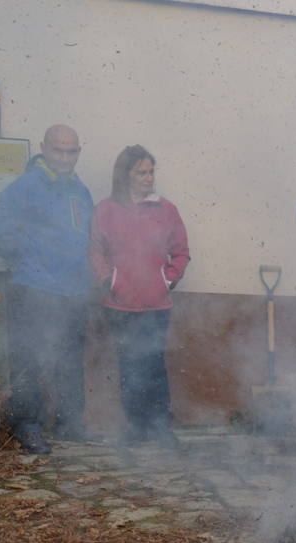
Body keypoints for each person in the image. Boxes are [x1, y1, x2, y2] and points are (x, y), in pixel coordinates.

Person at [0, 124, 95, 454]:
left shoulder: (80, 190)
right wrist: (35, 256)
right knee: (27, 358)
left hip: (73, 290)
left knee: (69, 359)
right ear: (44, 148)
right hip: (33, 287)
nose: (65, 157)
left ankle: (70, 424)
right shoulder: (23, 188)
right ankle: (26, 425)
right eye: (58, 150)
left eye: (72, 151)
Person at [89, 146, 191, 447]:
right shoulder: (106, 210)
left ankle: (160, 428)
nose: (149, 178)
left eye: (151, 172)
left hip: (157, 305)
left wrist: (167, 279)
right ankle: (135, 427)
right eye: (142, 172)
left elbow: (181, 252)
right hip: (119, 305)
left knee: (154, 365)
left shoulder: (166, 209)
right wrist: (110, 279)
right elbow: (96, 250)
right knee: (129, 366)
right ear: (125, 175)